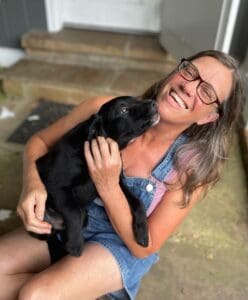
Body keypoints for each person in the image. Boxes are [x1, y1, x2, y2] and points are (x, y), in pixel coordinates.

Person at [0, 50, 243, 300]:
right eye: (190, 72)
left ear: (210, 117)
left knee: (36, 295)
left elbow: (143, 246)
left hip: (119, 245)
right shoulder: (105, 110)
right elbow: (39, 141)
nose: (189, 87)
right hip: (70, 218)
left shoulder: (190, 170)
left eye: (207, 92)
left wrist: (108, 185)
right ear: (177, 70)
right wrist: (31, 185)